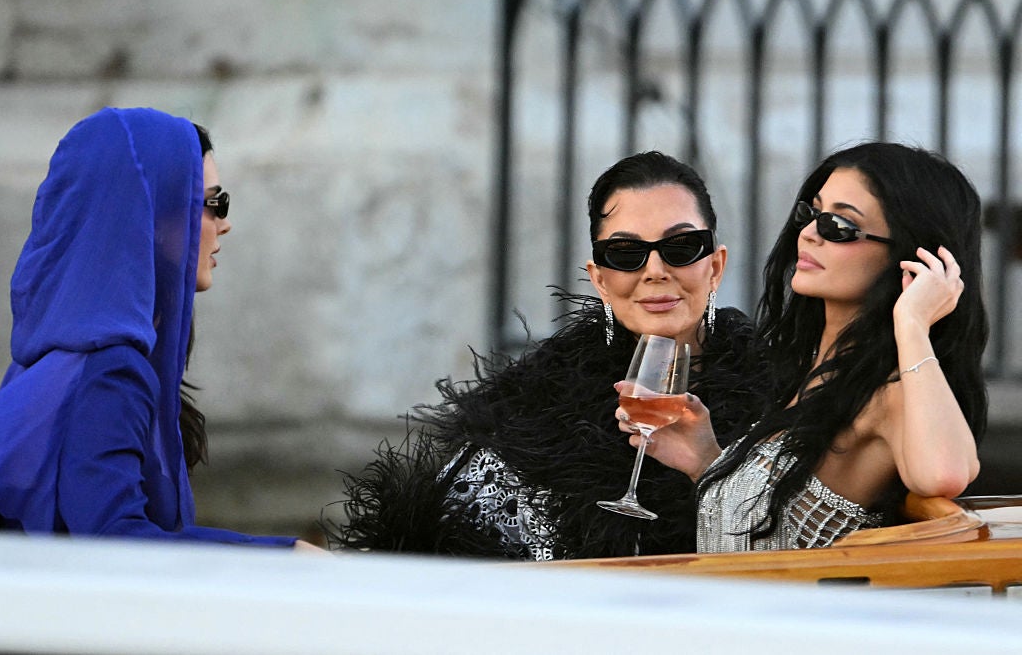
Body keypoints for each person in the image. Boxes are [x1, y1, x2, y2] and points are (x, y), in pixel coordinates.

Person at [328, 151, 767, 559]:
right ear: (600, 280)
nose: (655, 271)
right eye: (625, 253)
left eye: (681, 247)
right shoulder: (532, 411)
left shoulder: (783, 391)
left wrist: (711, 467)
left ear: (715, 266)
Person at [629, 142, 987, 552]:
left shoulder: (889, 390)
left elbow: (946, 474)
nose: (810, 233)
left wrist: (912, 322)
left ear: (908, 257)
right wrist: (706, 459)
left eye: (839, 226)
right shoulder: (809, 366)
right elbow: (777, 528)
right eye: (812, 213)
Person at [0, 107, 313, 548]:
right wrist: (285, 556)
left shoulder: (42, 365)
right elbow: (114, 540)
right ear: (152, 215)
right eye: (214, 204)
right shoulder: (111, 371)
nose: (225, 224)